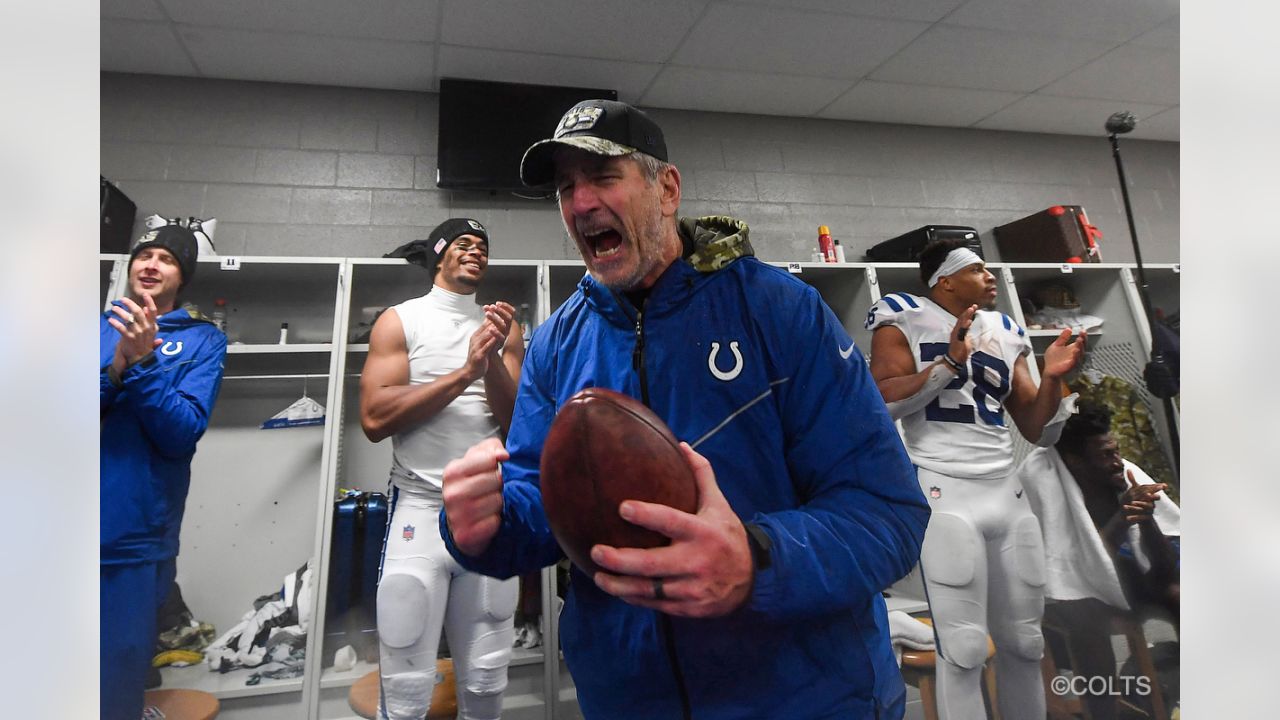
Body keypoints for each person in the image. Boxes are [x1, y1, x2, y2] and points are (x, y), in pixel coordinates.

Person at [439, 99, 929, 720]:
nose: (581, 203)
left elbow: (888, 512)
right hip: (629, 699)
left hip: (803, 697)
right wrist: (487, 525)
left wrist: (756, 558)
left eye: (603, 177)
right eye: (565, 187)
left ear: (667, 189)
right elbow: (542, 501)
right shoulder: (558, 343)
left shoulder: (781, 311)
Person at [864, 238, 1086, 720]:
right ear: (945, 279)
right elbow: (881, 401)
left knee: (1026, 643)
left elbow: (1033, 427)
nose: (990, 277)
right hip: (946, 489)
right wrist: (947, 364)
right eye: (978, 269)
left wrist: (1051, 379)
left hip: (1006, 490)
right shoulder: (901, 312)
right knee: (964, 648)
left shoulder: (1005, 328)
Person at [359, 218, 524, 720]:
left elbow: (515, 422)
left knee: (486, 679)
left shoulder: (504, 326)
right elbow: (374, 418)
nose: (477, 252)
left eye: (484, 246)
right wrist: (464, 374)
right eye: (464, 244)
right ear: (439, 255)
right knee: (407, 689)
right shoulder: (400, 320)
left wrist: (493, 358)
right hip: (420, 510)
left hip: (486, 510)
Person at [100, 225, 227, 720]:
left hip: (133, 539)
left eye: (166, 260)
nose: (151, 265)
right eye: (144, 256)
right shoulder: (90, 330)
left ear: (182, 277)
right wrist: (115, 368)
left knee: (116, 674)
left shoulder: (203, 342)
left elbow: (180, 434)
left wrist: (145, 362)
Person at [1019, 401, 1180, 720]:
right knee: (1086, 623)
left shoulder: (1124, 476)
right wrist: (1122, 518)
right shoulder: (1044, 484)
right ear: (1076, 460)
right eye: (1106, 455)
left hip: (1126, 581)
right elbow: (1073, 574)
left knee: (1180, 595)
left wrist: (1145, 518)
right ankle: (1104, 713)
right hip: (1067, 596)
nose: (1117, 462)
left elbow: (1163, 570)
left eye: (1116, 451)